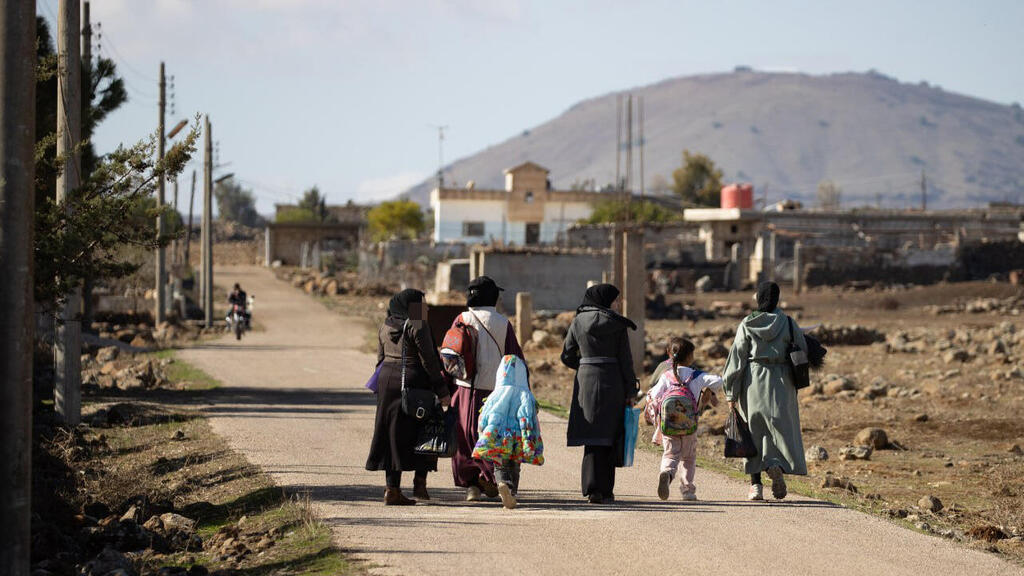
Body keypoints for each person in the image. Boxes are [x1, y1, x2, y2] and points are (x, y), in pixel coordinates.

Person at [723, 281, 808, 501]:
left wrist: (730, 392)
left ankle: (756, 486)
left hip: (753, 380)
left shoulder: (747, 324)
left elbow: (737, 358)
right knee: (778, 429)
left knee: (752, 432)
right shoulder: (788, 323)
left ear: (758, 298)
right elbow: (803, 350)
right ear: (777, 298)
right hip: (782, 381)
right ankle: (775, 464)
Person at [365, 289, 451, 505]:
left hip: (387, 381)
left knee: (391, 434)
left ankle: (391, 489)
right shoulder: (417, 324)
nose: (427, 309)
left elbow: (380, 360)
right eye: (422, 305)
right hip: (415, 383)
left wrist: (381, 389)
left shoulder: (385, 325)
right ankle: (420, 486)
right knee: (424, 431)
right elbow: (429, 360)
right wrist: (442, 391)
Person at [448, 276, 525, 502]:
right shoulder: (503, 323)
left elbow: (450, 354)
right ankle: (493, 478)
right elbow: (515, 359)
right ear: (494, 297)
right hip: (495, 392)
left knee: (464, 437)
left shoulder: (461, 319)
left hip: (463, 389)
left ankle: (471, 486)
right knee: (492, 436)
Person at [560, 284, 638, 504]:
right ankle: (606, 490)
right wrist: (631, 389)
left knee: (591, 434)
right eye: (615, 300)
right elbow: (626, 361)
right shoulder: (616, 324)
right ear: (605, 301)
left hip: (586, 380)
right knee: (609, 434)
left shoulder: (577, 321)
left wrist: (584, 365)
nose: (618, 304)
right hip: (613, 381)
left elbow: (566, 356)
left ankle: (591, 488)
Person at [646, 337, 723, 501]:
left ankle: (666, 473)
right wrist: (708, 388)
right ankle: (688, 491)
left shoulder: (666, 376)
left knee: (670, 454)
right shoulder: (697, 376)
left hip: (669, 424)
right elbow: (719, 381)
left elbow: (653, 395)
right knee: (688, 458)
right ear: (690, 357)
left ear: (670, 355)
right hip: (689, 426)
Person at [472, 355, 544, 509]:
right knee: (515, 465)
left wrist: (482, 431)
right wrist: (532, 436)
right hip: (518, 438)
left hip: (499, 436)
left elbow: (483, 416)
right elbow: (531, 415)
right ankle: (513, 493)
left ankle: (503, 483)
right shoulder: (526, 395)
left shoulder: (495, 395)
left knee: (500, 464)